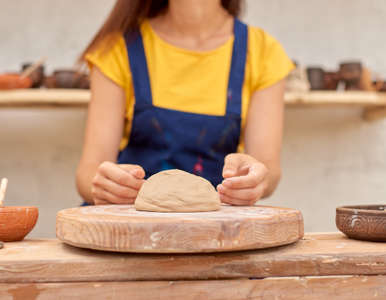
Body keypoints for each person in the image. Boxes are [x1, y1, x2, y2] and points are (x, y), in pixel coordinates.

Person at [76, 0, 294, 206]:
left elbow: (269, 169)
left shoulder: (263, 53)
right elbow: (88, 173)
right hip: (130, 232)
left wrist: (253, 179)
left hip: (214, 233)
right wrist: (104, 185)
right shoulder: (117, 48)